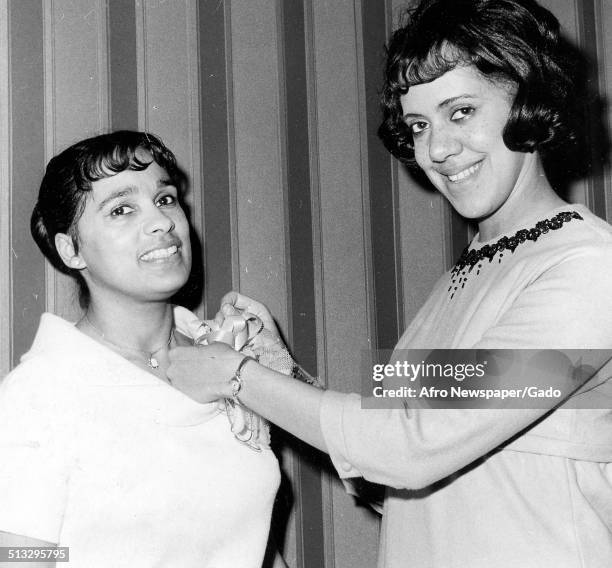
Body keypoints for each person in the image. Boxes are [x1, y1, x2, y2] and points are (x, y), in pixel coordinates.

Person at [166, 1, 612, 566]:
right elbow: (388, 476)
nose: (436, 150)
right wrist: (284, 373)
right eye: (420, 125)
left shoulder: (586, 269)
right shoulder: (462, 278)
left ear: (526, 100)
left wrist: (238, 376)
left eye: (461, 111)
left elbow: (408, 448)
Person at [0, 131, 287, 568]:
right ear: (71, 249)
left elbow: (245, 543)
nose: (162, 222)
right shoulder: (38, 393)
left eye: (166, 199)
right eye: (121, 209)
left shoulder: (227, 356)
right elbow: (16, 557)